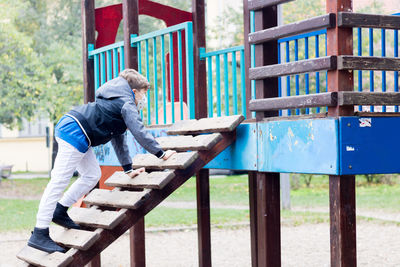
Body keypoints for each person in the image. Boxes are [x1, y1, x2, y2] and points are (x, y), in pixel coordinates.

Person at [27, 69, 176, 253]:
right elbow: (139, 131)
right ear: (135, 91)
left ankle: (60, 209)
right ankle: (39, 233)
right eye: (144, 93)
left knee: (92, 175)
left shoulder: (117, 101)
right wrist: (161, 153)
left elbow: (119, 139)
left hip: (78, 132)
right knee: (58, 182)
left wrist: (128, 169)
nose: (144, 98)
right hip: (74, 131)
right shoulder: (126, 103)